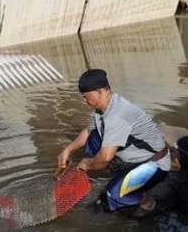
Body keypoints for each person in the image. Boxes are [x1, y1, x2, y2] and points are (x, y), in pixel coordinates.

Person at [57, 69, 170, 218]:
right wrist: (67, 150)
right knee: (94, 138)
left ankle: (148, 203)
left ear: (98, 92)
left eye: (86, 97)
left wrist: (88, 164)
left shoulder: (117, 115)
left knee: (114, 194)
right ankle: (120, 171)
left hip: (155, 163)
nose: (84, 101)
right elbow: (89, 131)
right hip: (134, 155)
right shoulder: (104, 107)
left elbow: (104, 158)